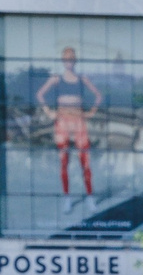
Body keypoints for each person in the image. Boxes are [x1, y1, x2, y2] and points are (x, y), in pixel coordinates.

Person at [39, 46, 101, 201]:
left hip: (78, 121)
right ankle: (67, 197)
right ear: (63, 61)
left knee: (84, 160)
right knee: (64, 160)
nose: (69, 62)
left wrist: (91, 112)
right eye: (66, 59)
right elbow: (40, 94)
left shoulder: (82, 79)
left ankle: (90, 196)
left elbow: (98, 95)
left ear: (75, 60)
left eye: (71, 58)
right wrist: (48, 112)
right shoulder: (56, 78)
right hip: (62, 122)